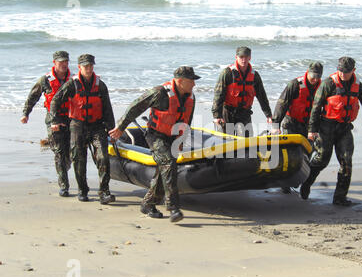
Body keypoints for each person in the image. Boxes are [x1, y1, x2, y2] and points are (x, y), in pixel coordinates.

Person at [109, 66, 200, 223]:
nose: (194, 84)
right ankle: (173, 208)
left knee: (164, 170)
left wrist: (180, 141)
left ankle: (148, 203)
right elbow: (135, 107)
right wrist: (120, 127)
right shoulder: (160, 93)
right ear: (180, 81)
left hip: (173, 137)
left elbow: (187, 122)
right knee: (168, 162)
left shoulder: (190, 97)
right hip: (155, 135)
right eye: (191, 80)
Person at [300, 57, 362, 206]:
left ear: (353, 71)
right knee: (322, 160)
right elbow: (315, 108)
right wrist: (312, 130)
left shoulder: (358, 86)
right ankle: (306, 183)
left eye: (346, 72)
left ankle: (340, 197)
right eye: (340, 70)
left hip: (344, 128)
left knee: (346, 163)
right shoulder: (328, 83)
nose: (342, 74)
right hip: (326, 127)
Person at [50, 54, 116, 204]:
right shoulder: (71, 84)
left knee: (103, 158)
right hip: (77, 126)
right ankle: (82, 190)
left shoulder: (100, 85)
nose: (89, 68)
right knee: (79, 159)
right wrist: (55, 120)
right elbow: (55, 101)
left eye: (91, 66)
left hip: (97, 126)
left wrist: (112, 129)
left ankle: (104, 192)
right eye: (85, 66)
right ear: (79, 67)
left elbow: (107, 108)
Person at [21, 51, 72, 197]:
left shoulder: (74, 78)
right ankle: (64, 185)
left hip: (71, 119)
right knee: (59, 151)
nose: (64, 64)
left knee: (71, 153)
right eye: (60, 62)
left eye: (66, 61)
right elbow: (33, 96)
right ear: (54, 63)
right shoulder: (45, 80)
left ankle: (64, 167)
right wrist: (26, 113)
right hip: (53, 119)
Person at [271, 61, 323, 194]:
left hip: (309, 126)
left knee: (307, 153)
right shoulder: (295, 85)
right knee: (289, 154)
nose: (315, 79)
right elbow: (281, 104)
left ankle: (297, 179)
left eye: (318, 77)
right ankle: (284, 183)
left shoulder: (323, 87)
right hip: (291, 123)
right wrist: (275, 125)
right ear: (308, 72)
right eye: (313, 76)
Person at [212, 46, 272, 137]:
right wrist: (217, 116)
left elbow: (262, 96)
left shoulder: (254, 75)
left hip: (244, 113)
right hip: (228, 112)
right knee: (225, 142)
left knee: (246, 143)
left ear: (250, 58)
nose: (243, 60)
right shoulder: (227, 73)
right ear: (236, 57)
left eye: (246, 57)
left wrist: (268, 115)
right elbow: (218, 95)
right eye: (241, 57)